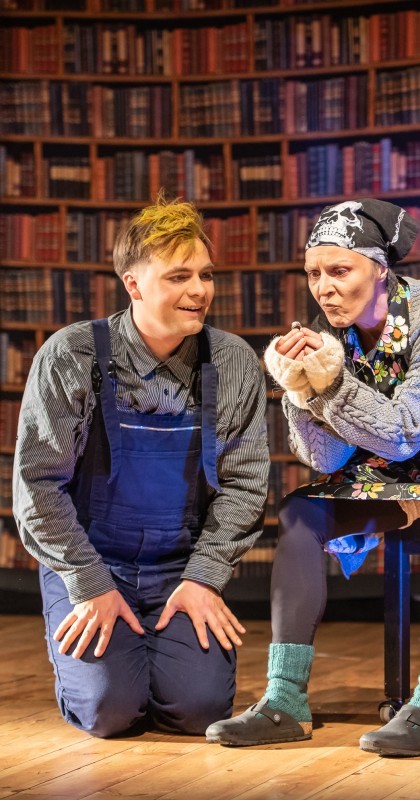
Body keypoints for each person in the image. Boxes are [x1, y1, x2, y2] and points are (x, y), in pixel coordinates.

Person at [205, 198, 420, 757]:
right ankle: (284, 700)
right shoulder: (330, 335)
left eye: (339, 271)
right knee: (300, 511)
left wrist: (331, 385)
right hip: (405, 469)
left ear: (380, 270)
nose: (324, 288)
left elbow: (405, 431)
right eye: (314, 274)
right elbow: (327, 459)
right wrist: (300, 389)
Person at [13, 196, 270, 738]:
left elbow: (245, 485)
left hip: (180, 567)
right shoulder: (71, 356)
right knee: (110, 710)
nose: (199, 290)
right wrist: (88, 582)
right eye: (179, 276)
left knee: (199, 709)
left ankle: (156, 664)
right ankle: (105, 673)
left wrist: (205, 577)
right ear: (133, 284)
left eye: (205, 275)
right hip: (92, 561)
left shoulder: (232, 361)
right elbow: (37, 484)